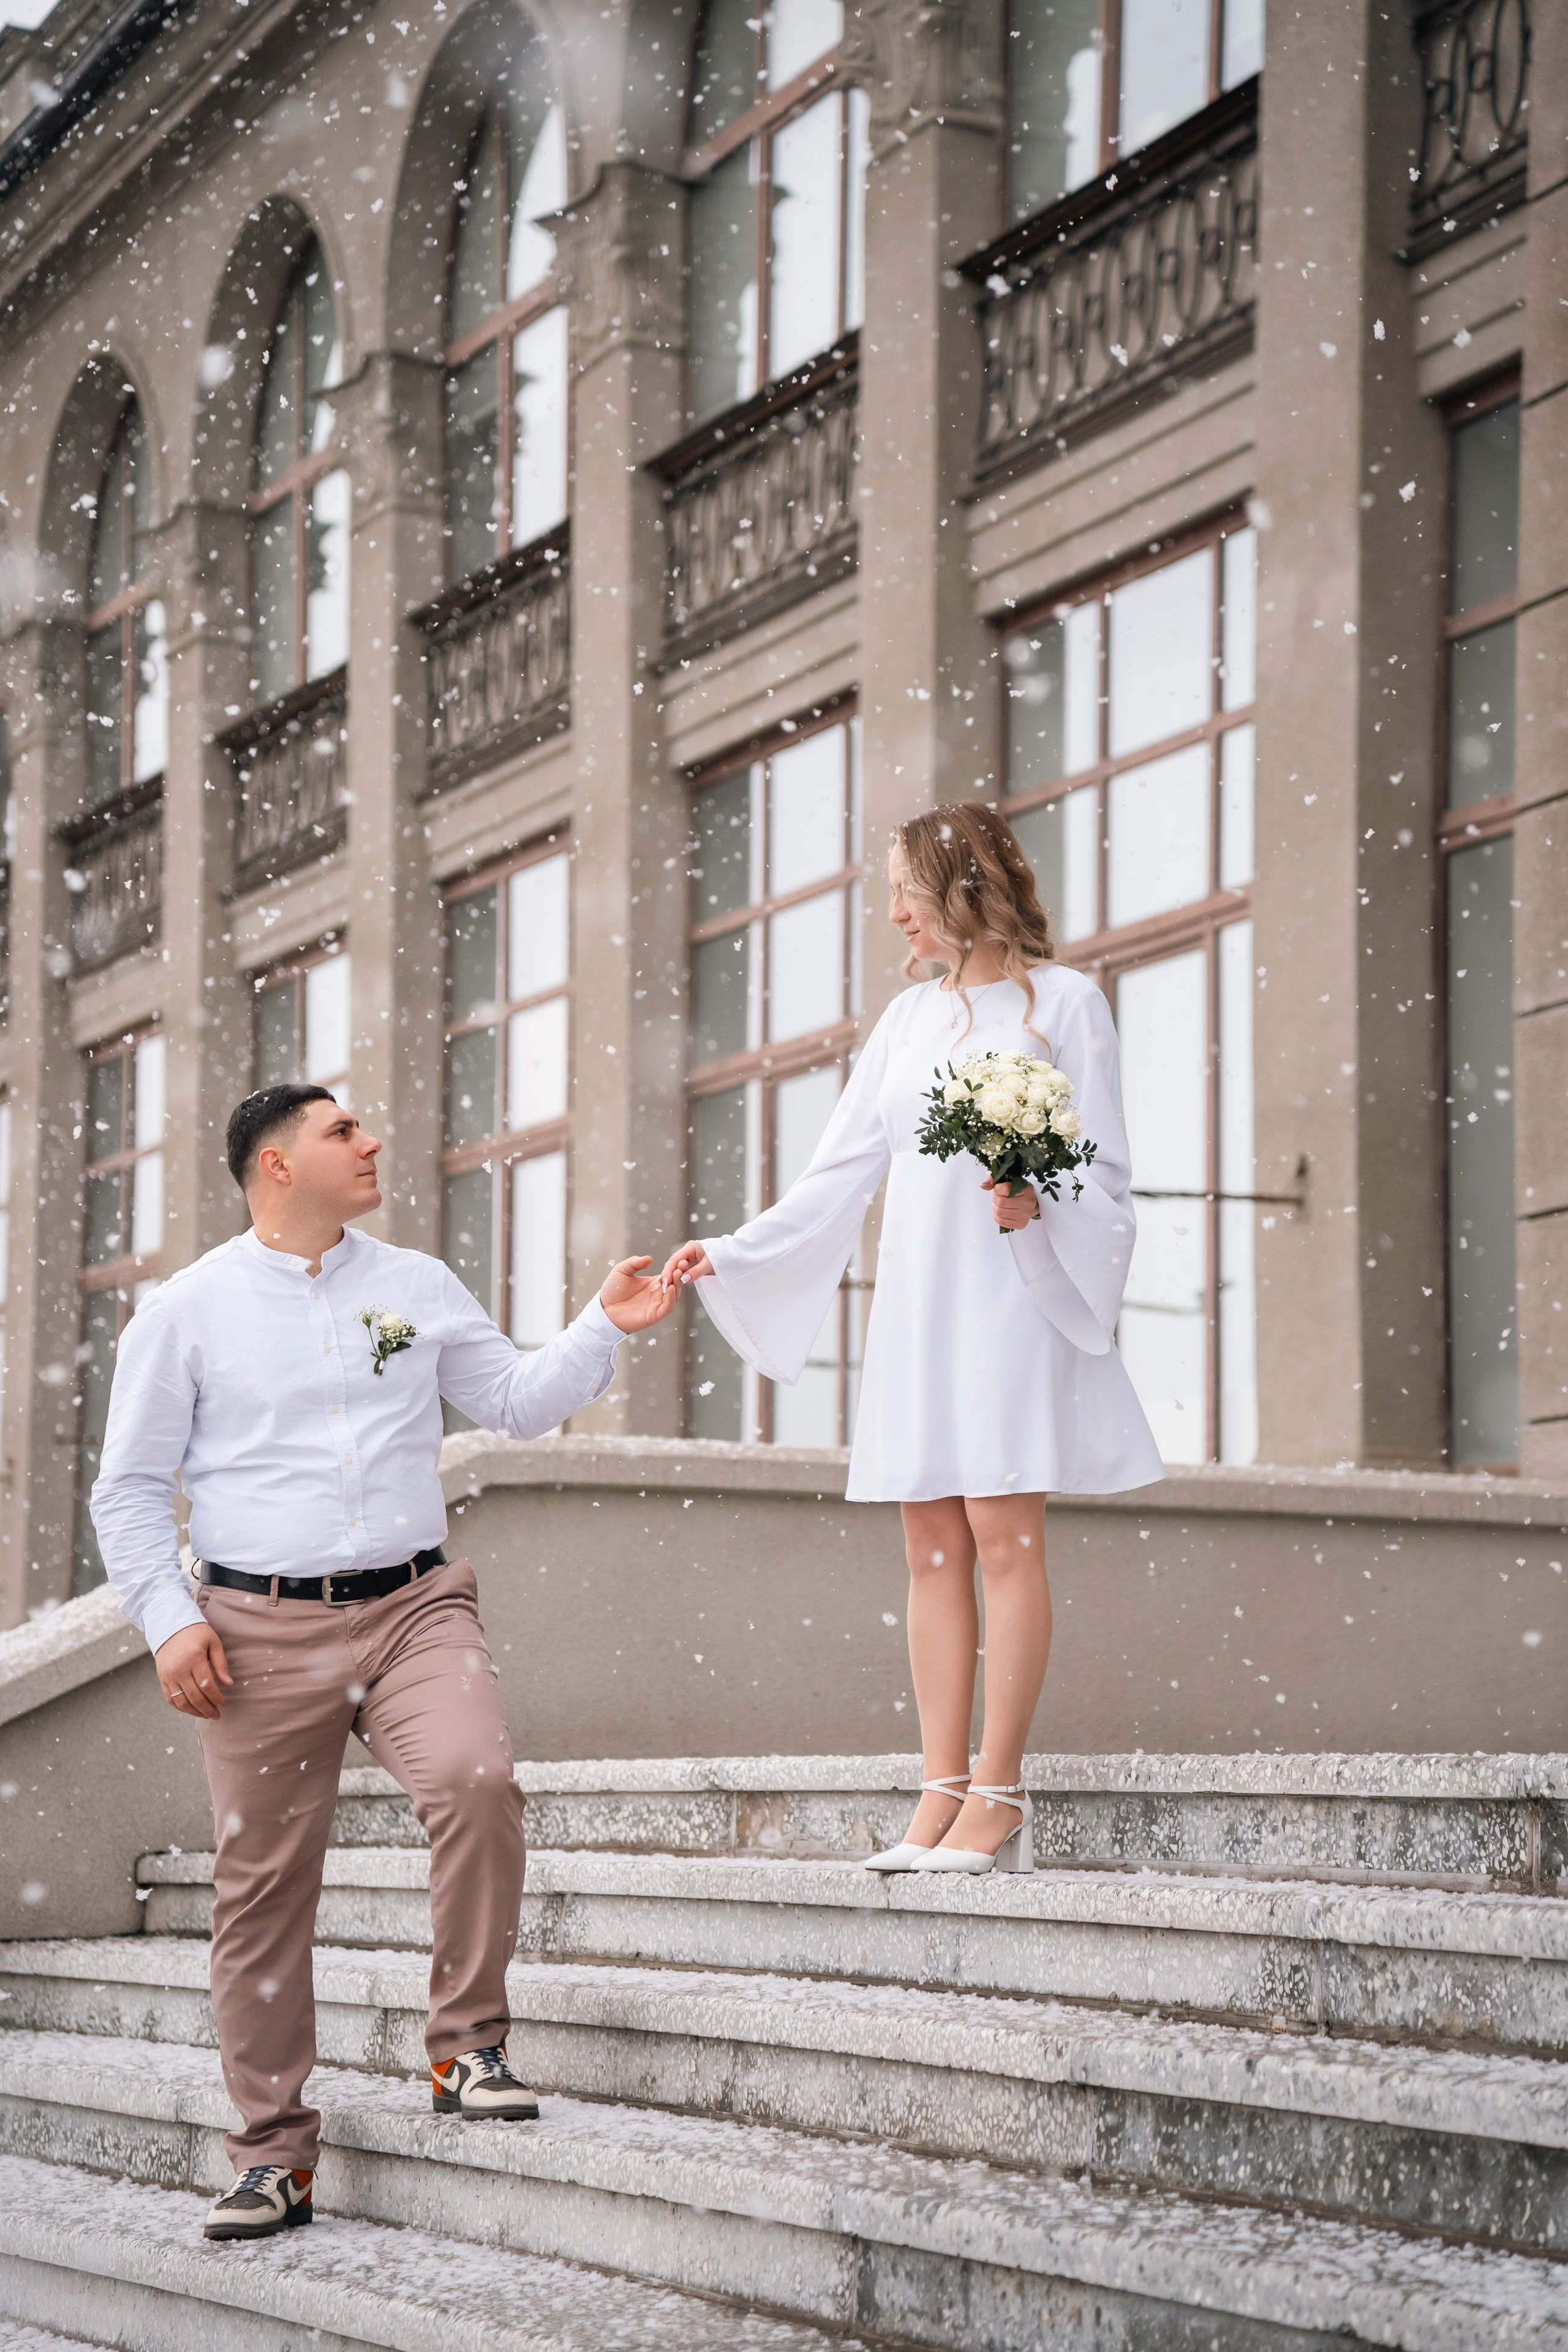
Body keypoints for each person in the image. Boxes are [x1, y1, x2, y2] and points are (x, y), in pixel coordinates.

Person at [91, 1084, 677, 2241]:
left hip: (414, 1608)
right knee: (262, 1893)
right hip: (255, 1633)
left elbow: (510, 1400)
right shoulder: (186, 1312)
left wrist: (604, 1323)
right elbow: (126, 1489)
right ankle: (273, 2157)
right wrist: (170, 1621)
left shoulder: (411, 1285)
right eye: (342, 1131)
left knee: (476, 1780)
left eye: (365, 1122)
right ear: (274, 1166)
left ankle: (467, 2047)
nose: (372, 1140)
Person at [662, 802, 1162, 1875]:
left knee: (1003, 1535)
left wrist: (1037, 1196)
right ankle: (938, 1789)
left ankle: (1000, 1791)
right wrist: (737, 1252)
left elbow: (1106, 1174)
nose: (893, 914)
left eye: (907, 891)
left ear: (964, 887)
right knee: (928, 1545)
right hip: (921, 1301)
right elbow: (839, 1173)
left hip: (1013, 1297)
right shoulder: (905, 1026)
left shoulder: (1068, 1005)